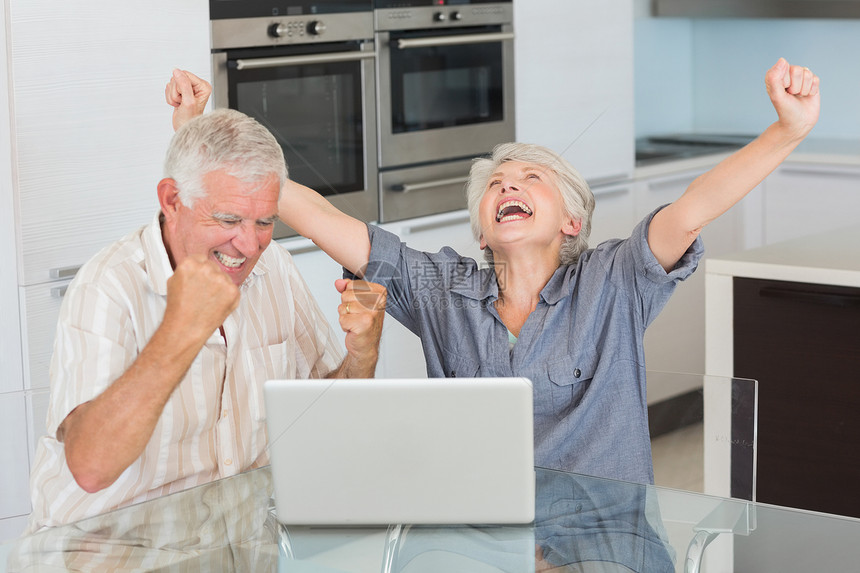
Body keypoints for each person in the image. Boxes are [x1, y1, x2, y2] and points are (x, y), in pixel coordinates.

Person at [177, 59, 820, 485]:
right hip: (480, 541)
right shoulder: (439, 288)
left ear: (571, 221)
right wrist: (206, 141)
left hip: (601, 543)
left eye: (530, 178)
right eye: (496, 185)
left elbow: (691, 211)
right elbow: (320, 216)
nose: (509, 184)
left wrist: (785, 133)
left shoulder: (613, 281)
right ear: (483, 229)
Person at [24, 93, 387, 532]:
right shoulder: (109, 285)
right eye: (229, 219)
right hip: (104, 549)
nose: (250, 246)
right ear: (172, 200)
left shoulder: (275, 269)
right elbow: (90, 467)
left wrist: (362, 354)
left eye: (265, 222)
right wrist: (180, 330)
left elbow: (328, 423)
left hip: (231, 544)